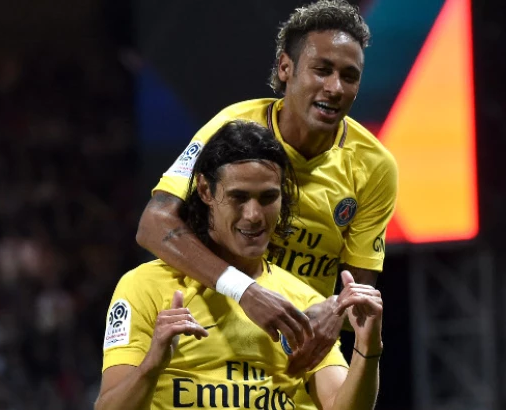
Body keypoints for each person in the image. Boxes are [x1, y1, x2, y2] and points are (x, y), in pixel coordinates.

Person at [137, 0, 396, 379]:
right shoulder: (232, 127)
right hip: (209, 341)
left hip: (297, 356)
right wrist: (245, 290)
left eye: (349, 76)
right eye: (322, 70)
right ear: (285, 67)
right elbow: (154, 223)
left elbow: (357, 295)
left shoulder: (374, 166)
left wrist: (335, 311)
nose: (335, 87)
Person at [96, 120, 384, 410]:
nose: (254, 215)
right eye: (238, 197)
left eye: (268, 197)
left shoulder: (302, 300)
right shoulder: (145, 287)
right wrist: (152, 365)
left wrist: (367, 347)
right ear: (205, 190)